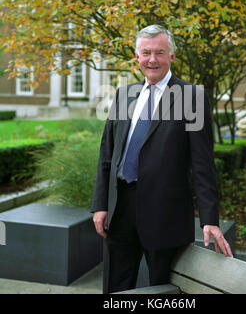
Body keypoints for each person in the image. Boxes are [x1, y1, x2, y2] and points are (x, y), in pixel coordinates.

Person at [91, 25, 233, 294]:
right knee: (115, 291)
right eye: (146, 53)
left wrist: (209, 219)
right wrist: (100, 204)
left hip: (165, 217)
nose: (152, 59)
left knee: (162, 292)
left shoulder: (191, 97)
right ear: (137, 56)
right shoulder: (125, 95)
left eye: (159, 52)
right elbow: (107, 156)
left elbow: (203, 163)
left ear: (172, 56)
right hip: (120, 213)